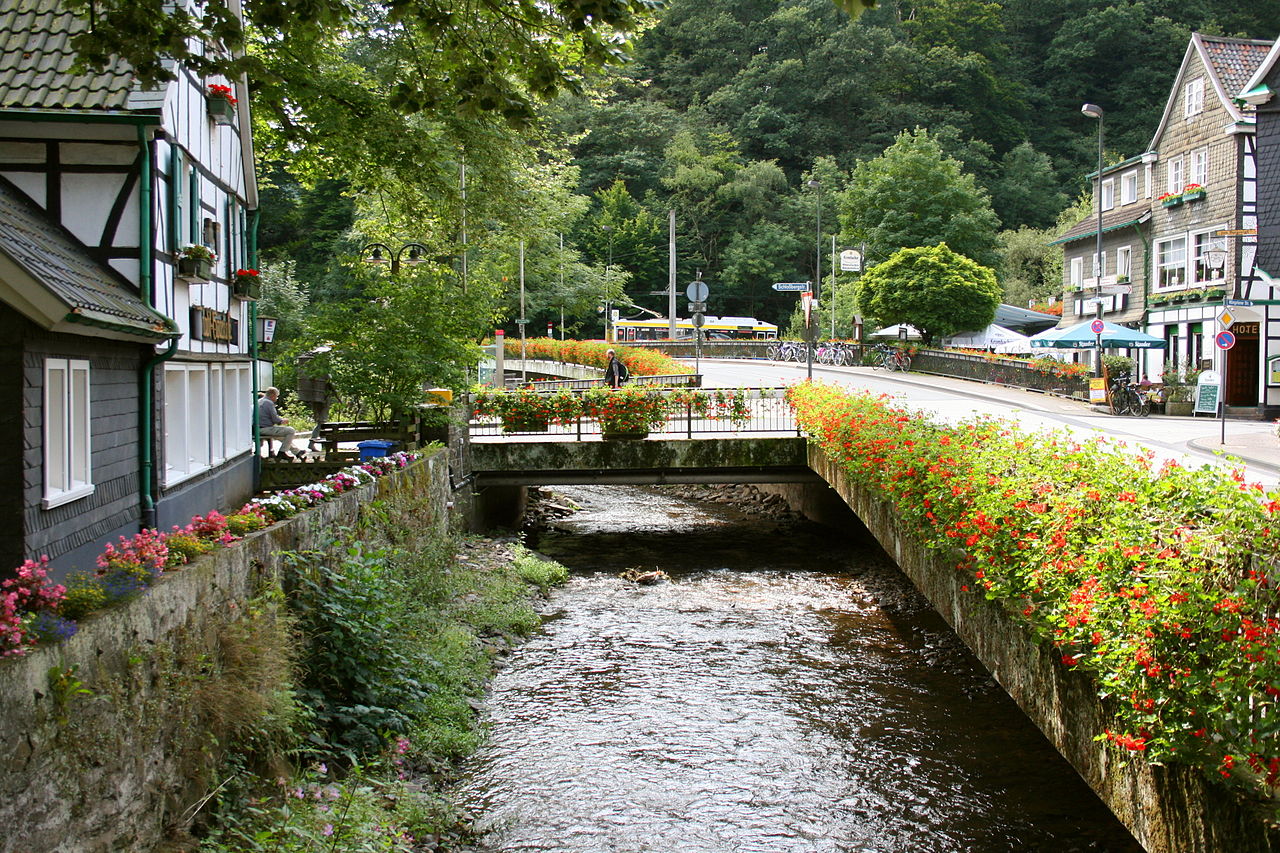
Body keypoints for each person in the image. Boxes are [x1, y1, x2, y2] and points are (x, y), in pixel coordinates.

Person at [258, 386, 297, 458]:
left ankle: (297, 451)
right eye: (276, 396)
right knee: (291, 430)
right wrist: (283, 421)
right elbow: (276, 420)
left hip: (257, 428)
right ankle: (282, 452)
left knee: (282, 436)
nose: (276, 398)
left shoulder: (260, 401)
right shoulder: (268, 403)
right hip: (264, 428)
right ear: (272, 395)